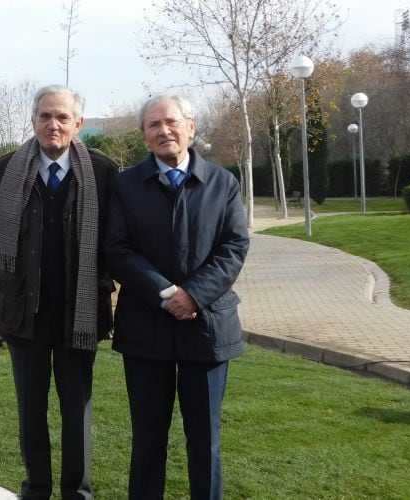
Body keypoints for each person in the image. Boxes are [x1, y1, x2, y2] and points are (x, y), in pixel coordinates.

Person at [103, 95, 249, 499]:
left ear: (191, 126)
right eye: (153, 125)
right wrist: (167, 293)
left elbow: (234, 247)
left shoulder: (223, 183)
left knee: (205, 440)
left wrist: (194, 296)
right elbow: (117, 249)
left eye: (171, 122)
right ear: (144, 136)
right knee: (148, 440)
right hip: (147, 331)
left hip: (207, 330)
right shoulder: (126, 185)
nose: (163, 130)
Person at [0, 85, 118, 500]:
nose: (53, 124)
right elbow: (1, 235)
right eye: (45, 116)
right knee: (30, 409)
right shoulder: (5, 169)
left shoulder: (103, 171)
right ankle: (36, 489)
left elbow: (113, 243)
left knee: (77, 409)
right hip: (24, 310)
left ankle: (78, 492)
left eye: (62, 117)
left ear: (78, 123)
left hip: (79, 310)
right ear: (33, 121)